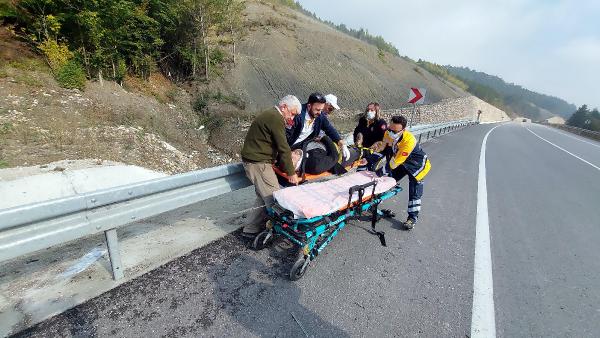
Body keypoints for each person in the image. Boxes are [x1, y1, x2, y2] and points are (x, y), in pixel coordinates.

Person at [240, 95, 301, 238]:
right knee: (274, 198)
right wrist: (291, 173)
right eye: (292, 113)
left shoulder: (270, 115)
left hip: (256, 161)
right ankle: (277, 230)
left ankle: (251, 228)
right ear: (284, 107)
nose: (291, 118)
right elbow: (283, 147)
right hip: (258, 163)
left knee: (263, 196)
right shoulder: (275, 118)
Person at [382, 115, 431, 230]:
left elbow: (394, 163)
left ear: (403, 130)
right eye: (390, 129)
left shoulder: (409, 140)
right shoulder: (388, 133)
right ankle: (374, 203)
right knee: (388, 179)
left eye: (395, 131)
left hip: (417, 166)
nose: (391, 132)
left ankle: (412, 219)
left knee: (415, 192)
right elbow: (384, 150)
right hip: (402, 162)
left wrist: (380, 171)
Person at [286, 92, 350, 160]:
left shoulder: (319, 116)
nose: (320, 113)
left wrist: (342, 144)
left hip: (299, 147)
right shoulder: (297, 114)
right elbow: (286, 135)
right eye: (317, 110)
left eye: (321, 110)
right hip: (286, 146)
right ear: (309, 106)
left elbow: (330, 129)